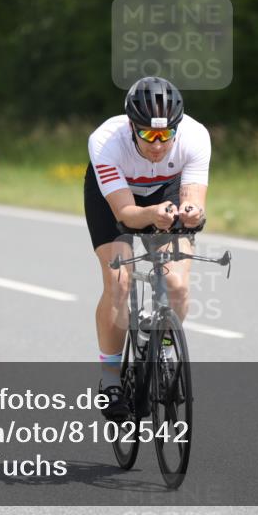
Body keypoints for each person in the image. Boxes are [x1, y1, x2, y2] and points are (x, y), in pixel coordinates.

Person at [84, 77, 210, 421]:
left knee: (177, 284)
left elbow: (194, 200)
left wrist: (191, 212)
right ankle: (110, 381)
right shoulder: (106, 143)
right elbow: (125, 214)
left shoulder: (196, 137)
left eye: (166, 135)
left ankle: (165, 348)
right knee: (119, 282)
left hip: (164, 191)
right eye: (149, 135)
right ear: (131, 127)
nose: (158, 144)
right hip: (116, 199)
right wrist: (152, 216)